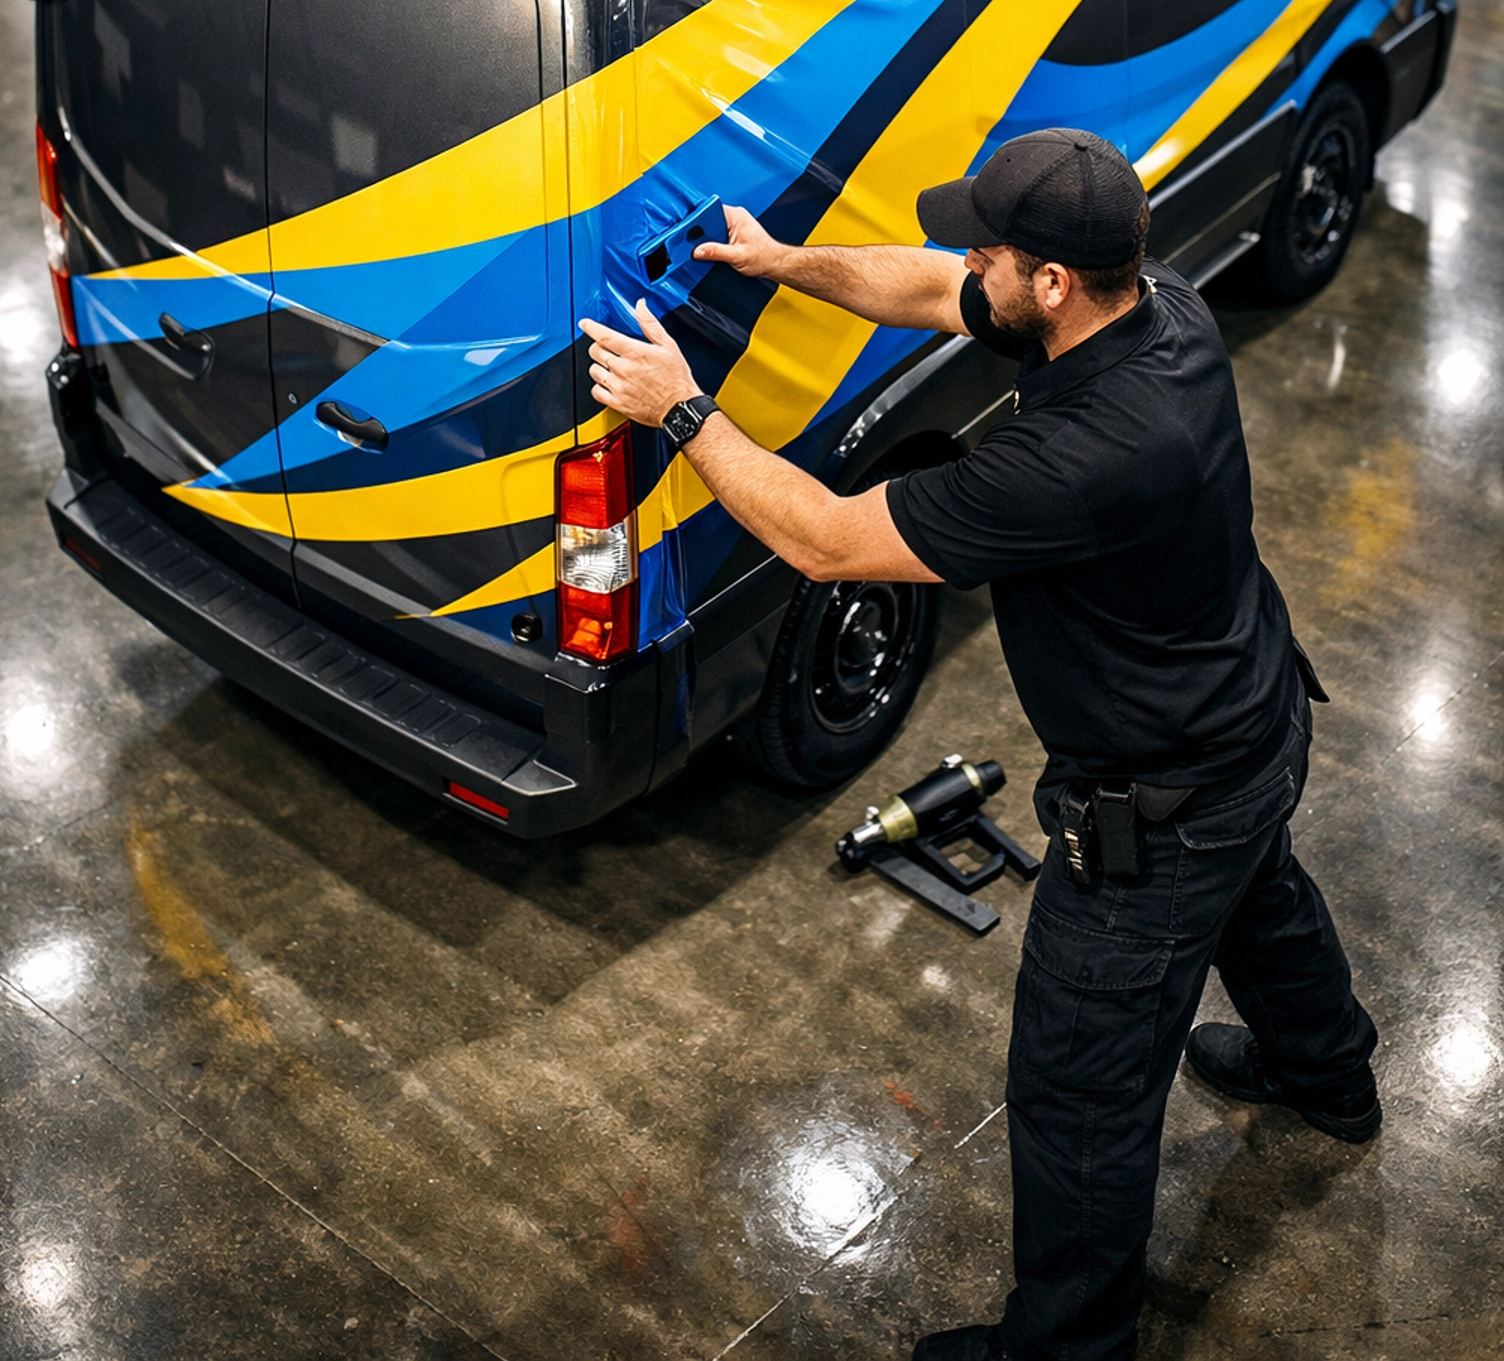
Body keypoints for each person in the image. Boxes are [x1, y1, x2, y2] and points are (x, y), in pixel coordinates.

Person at [580, 127, 1379, 1361]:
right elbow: (928, 288)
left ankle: (1066, 1350)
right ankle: (1329, 1076)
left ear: (1050, 280)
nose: (968, 263)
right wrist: (783, 261)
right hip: (1253, 714)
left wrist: (679, 408)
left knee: (1079, 1093)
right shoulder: (1149, 303)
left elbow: (832, 542)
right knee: (1258, 895)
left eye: (987, 249)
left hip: (1158, 802)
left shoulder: (1079, 458)